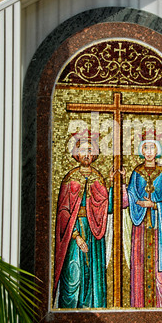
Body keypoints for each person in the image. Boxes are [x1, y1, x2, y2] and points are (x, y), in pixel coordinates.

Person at [124, 129, 162, 308]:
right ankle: (139, 305)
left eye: (152, 147)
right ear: (142, 151)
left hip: (160, 229)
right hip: (140, 227)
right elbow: (130, 197)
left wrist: (156, 205)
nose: (149, 151)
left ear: (157, 150)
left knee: (160, 269)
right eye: (146, 147)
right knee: (140, 265)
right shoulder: (137, 172)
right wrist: (120, 186)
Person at [53, 130, 109, 309]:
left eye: (90, 150)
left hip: (94, 232)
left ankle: (92, 308)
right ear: (76, 154)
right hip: (73, 232)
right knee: (73, 275)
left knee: (92, 275)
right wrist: (76, 235)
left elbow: (107, 204)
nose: (87, 154)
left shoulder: (98, 178)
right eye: (83, 150)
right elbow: (63, 211)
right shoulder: (70, 178)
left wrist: (119, 188)